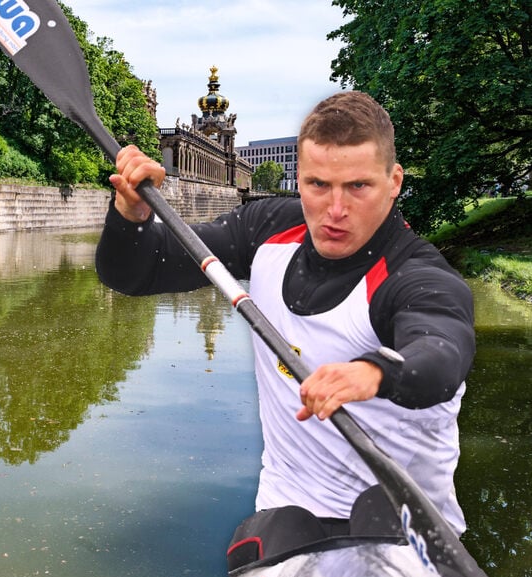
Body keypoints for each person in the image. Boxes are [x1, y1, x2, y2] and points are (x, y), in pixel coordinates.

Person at [95, 91, 475, 549]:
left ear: (394, 181)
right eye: (317, 185)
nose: (335, 210)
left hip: (399, 522)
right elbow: (136, 272)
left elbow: (442, 355)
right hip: (289, 510)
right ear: (299, 178)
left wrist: (374, 370)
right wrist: (129, 214)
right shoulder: (266, 229)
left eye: (358, 186)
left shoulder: (417, 276)